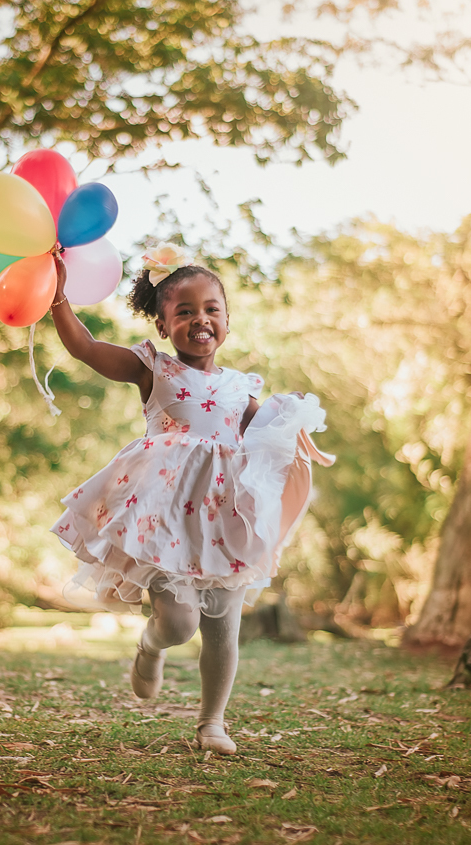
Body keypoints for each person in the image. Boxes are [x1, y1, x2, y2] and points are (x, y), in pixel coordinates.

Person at [47, 242, 332, 755]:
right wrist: (57, 298)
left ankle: (211, 723)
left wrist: (289, 421)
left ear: (227, 321)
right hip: (163, 518)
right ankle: (151, 643)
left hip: (224, 518)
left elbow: (268, 441)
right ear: (162, 325)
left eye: (211, 309)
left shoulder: (241, 389)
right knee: (180, 623)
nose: (200, 319)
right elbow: (85, 348)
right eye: (184, 311)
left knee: (223, 625)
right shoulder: (152, 368)